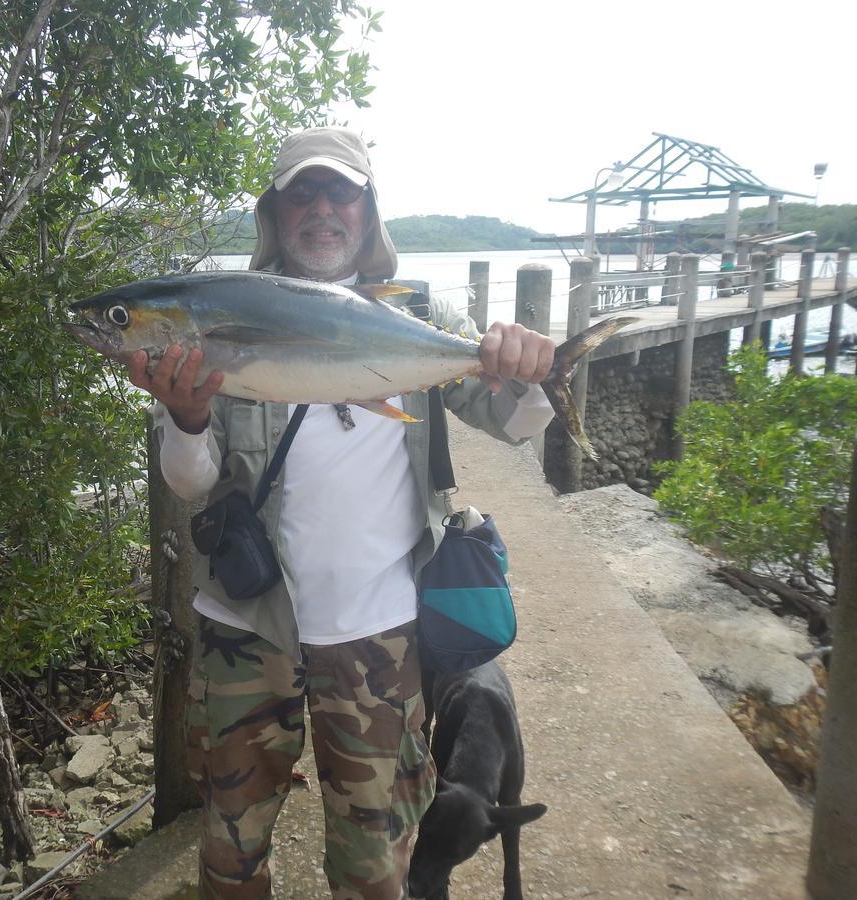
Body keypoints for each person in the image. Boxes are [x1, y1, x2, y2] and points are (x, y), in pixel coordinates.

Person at [129, 127, 556, 900]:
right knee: (231, 843)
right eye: (302, 193)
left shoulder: (420, 314)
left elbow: (517, 426)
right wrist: (188, 418)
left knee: (376, 858)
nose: (322, 209)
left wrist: (528, 375)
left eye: (340, 192)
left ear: (368, 210)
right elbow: (191, 483)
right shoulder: (220, 317)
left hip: (382, 635)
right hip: (248, 627)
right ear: (275, 212)